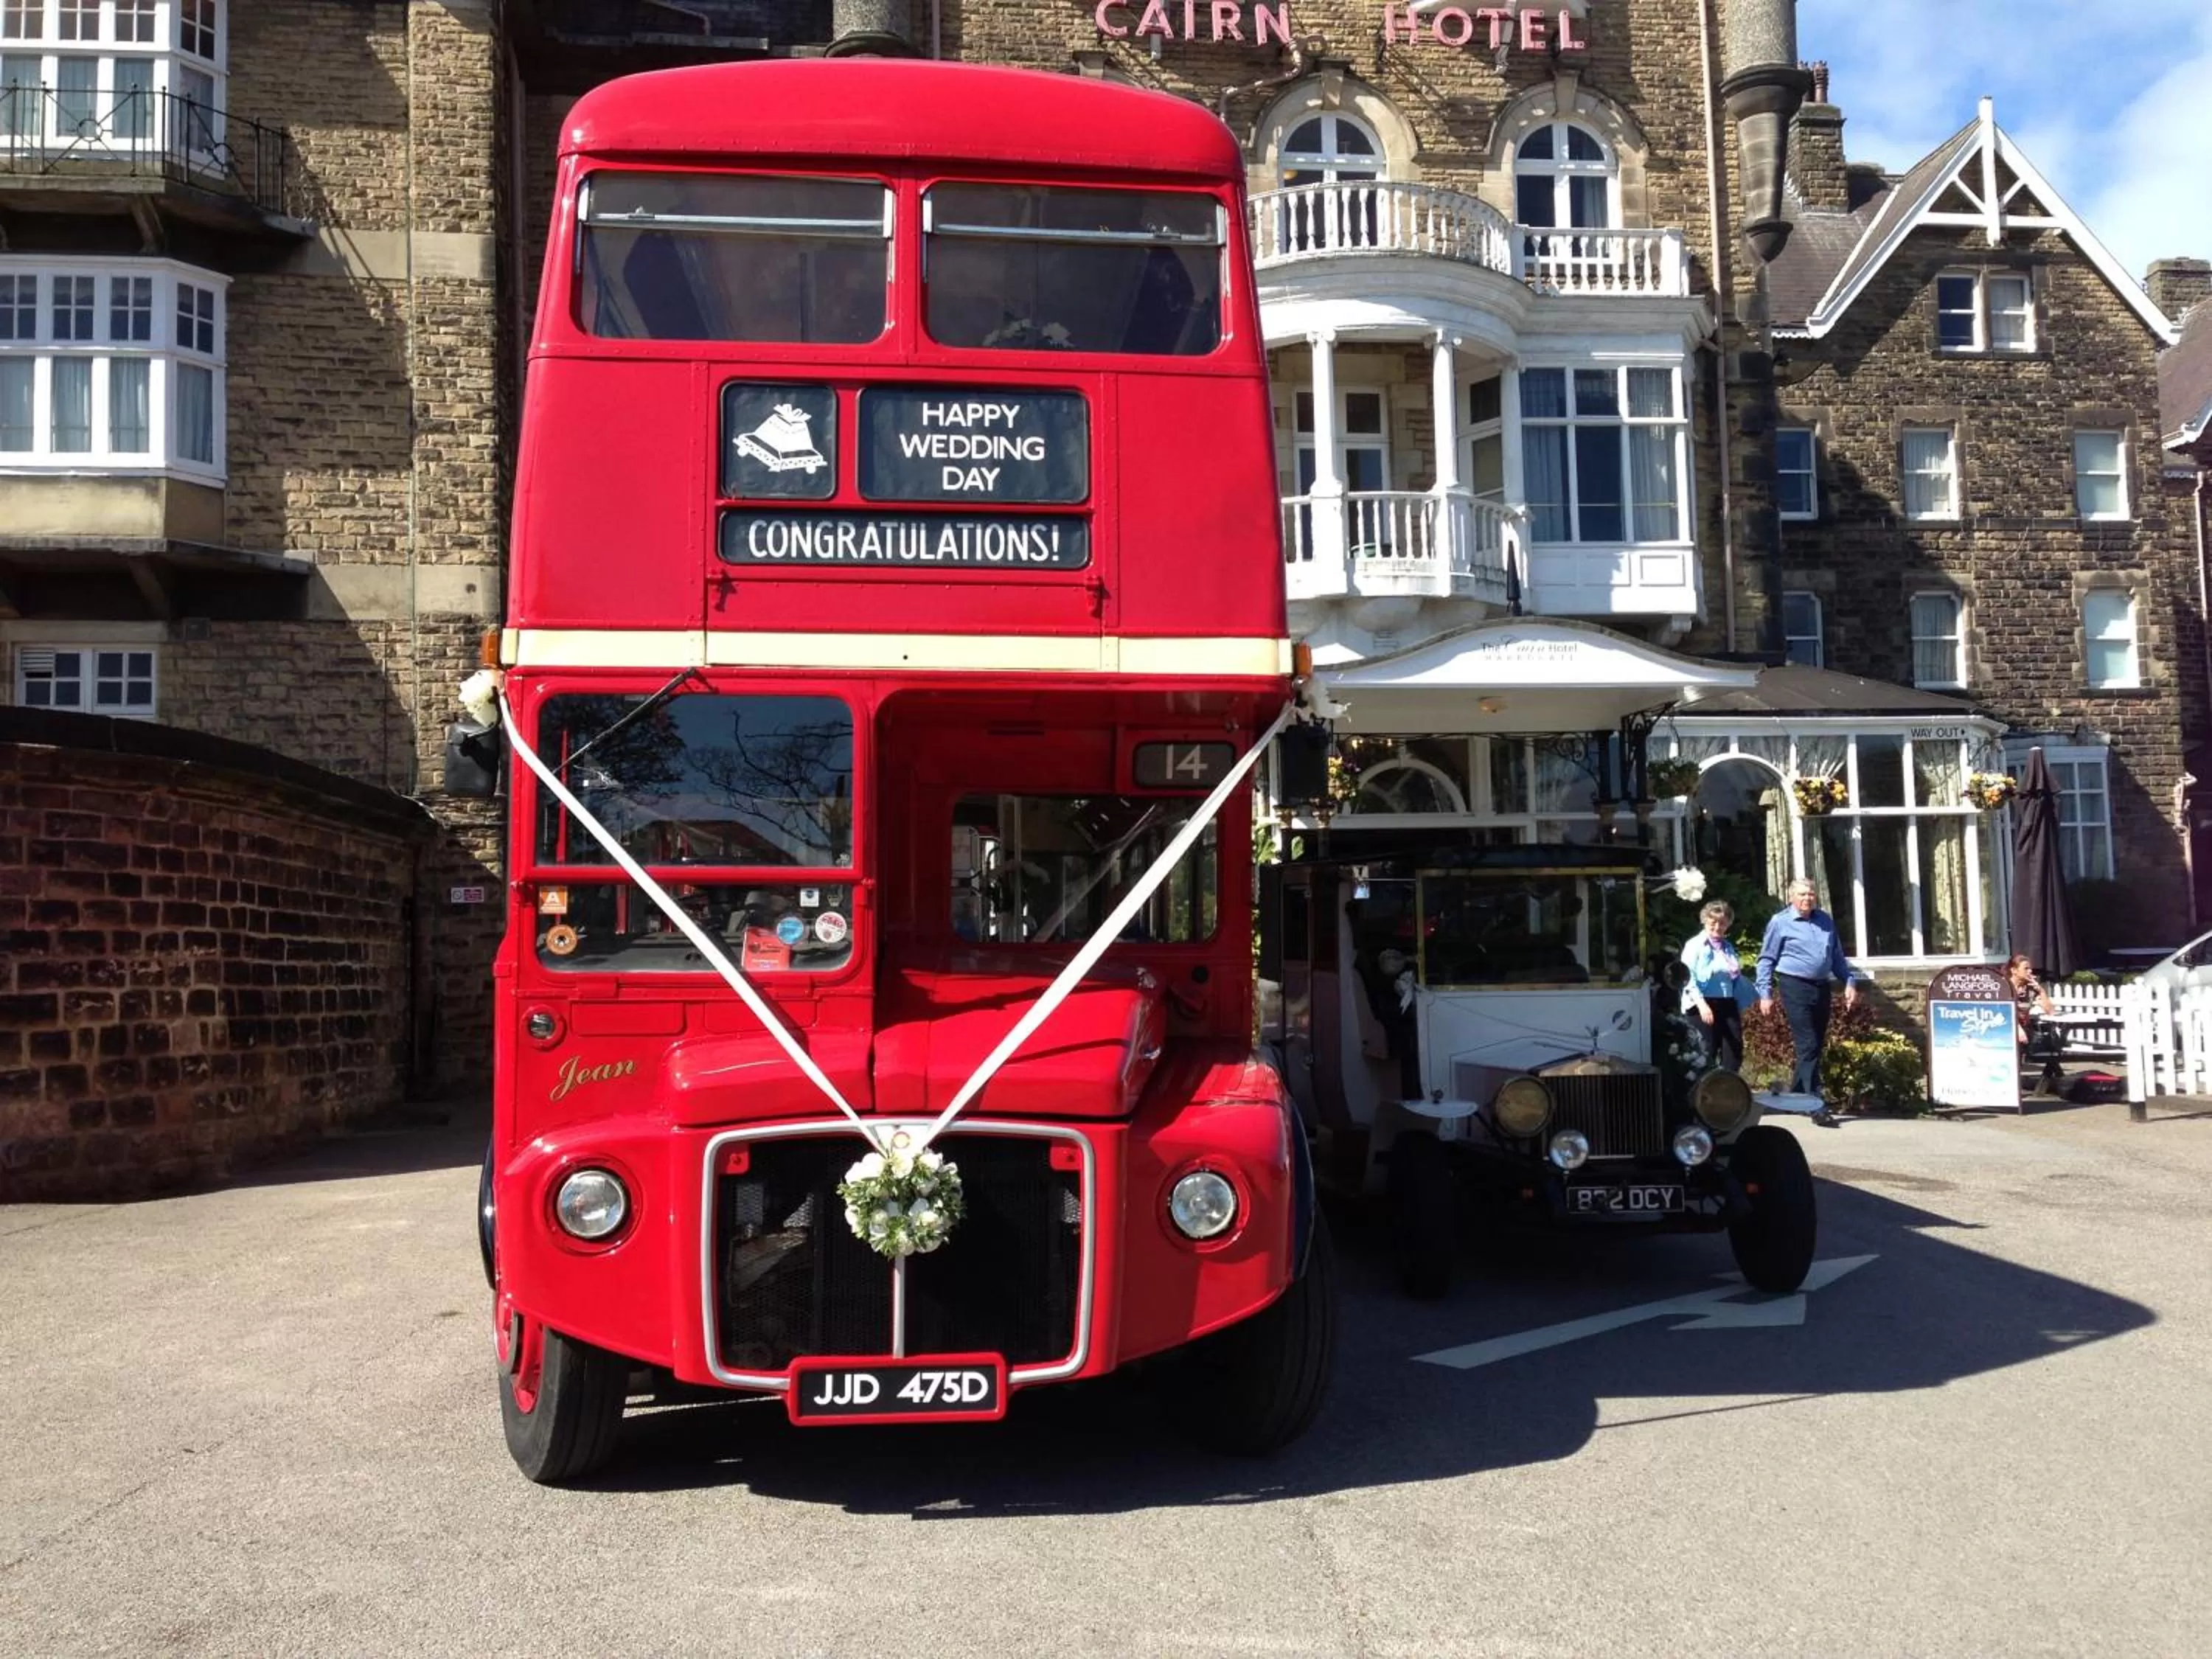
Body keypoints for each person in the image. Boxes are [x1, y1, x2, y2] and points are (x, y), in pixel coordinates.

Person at [1756, 878, 1862, 1127]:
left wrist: (1849, 981)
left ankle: (1793, 1099)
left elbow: (1837, 958)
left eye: (1811, 894)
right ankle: (1816, 1103)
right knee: (1808, 1043)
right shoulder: (1780, 922)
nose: (1807, 899)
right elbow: (1766, 959)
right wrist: (1765, 993)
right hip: (1794, 985)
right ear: (1792, 897)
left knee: (1815, 1044)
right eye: (1802, 894)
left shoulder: (1825, 921)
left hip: (1821, 986)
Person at [1678, 900, 1747, 1074]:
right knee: (1705, 1051)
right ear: (1705, 922)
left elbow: (1734, 977)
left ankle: (1728, 1089)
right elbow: (1687, 977)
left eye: (1722, 923)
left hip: (1727, 1002)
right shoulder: (1694, 945)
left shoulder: (1728, 947)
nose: (1717, 927)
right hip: (1701, 1004)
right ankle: (1702, 1093)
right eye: (1713, 923)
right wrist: (1702, 1005)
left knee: (1734, 1050)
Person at [2007, 953, 2062, 1092]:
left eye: (2030, 969)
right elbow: (2005, 1012)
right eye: (2026, 969)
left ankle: (2017, 1085)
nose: (2030, 972)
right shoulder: (2005, 986)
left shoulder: (2030, 988)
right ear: (2014, 970)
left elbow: (2051, 1011)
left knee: (2050, 1044)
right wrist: (2018, 1029)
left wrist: (2041, 991)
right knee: (2017, 1045)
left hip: (2025, 1027)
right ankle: (2011, 1085)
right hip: (2006, 1026)